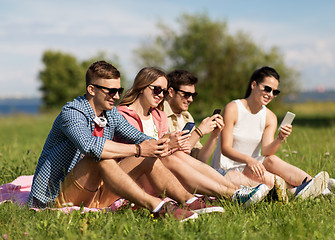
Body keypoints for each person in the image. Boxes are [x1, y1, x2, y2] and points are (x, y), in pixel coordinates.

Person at [26, 61, 225, 222]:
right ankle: (158, 206)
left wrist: (163, 144)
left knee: (146, 156)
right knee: (101, 157)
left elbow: (140, 138)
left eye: (119, 90)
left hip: (95, 195)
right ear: (92, 89)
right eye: (110, 91)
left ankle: (189, 201)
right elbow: (90, 146)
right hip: (57, 197)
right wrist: (139, 149)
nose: (117, 96)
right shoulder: (72, 113)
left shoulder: (110, 113)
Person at [116, 67, 271, 207]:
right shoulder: (123, 115)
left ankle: (236, 192)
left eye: (162, 91)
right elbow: (141, 151)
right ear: (142, 86)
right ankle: (233, 194)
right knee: (173, 157)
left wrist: (213, 136)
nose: (160, 95)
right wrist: (192, 135)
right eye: (157, 90)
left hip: (164, 172)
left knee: (176, 156)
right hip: (134, 176)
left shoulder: (159, 116)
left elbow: (191, 157)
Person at [211, 66, 334, 199]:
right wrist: (249, 160)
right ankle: (308, 190)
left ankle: (312, 184)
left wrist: (280, 138)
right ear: (254, 85)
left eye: (275, 92)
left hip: (253, 166)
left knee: (271, 159)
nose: (270, 94)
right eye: (267, 89)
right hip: (228, 169)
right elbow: (225, 148)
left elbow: (266, 152)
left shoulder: (270, 117)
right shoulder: (233, 108)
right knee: (265, 174)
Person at [164, 70, 221, 164]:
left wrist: (214, 135)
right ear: (171, 92)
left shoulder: (187, 116)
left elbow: (201, 159)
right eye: (186, 95)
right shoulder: (160, 114)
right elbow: (174, 157)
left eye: (193, 95)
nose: (190, 99)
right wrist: (199, 131)